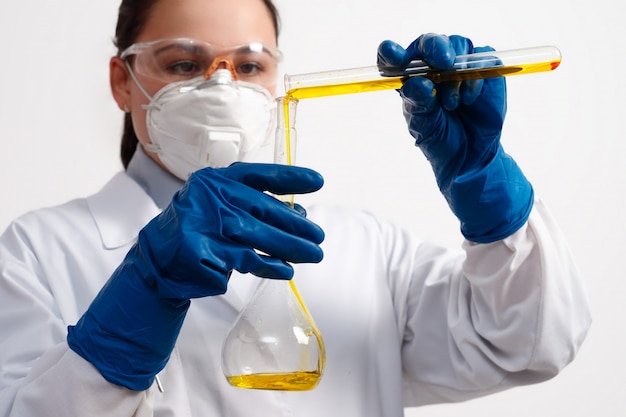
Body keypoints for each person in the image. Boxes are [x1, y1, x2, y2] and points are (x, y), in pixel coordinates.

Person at [0, 0, 591, 415]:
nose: (221, 85)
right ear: (123, 80)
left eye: (250, 65)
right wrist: (141, 295)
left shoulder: (365, 250)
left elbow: (531, 344)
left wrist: (483, 180)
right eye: (184, 63)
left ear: (279, 79)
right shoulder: (36, 254)